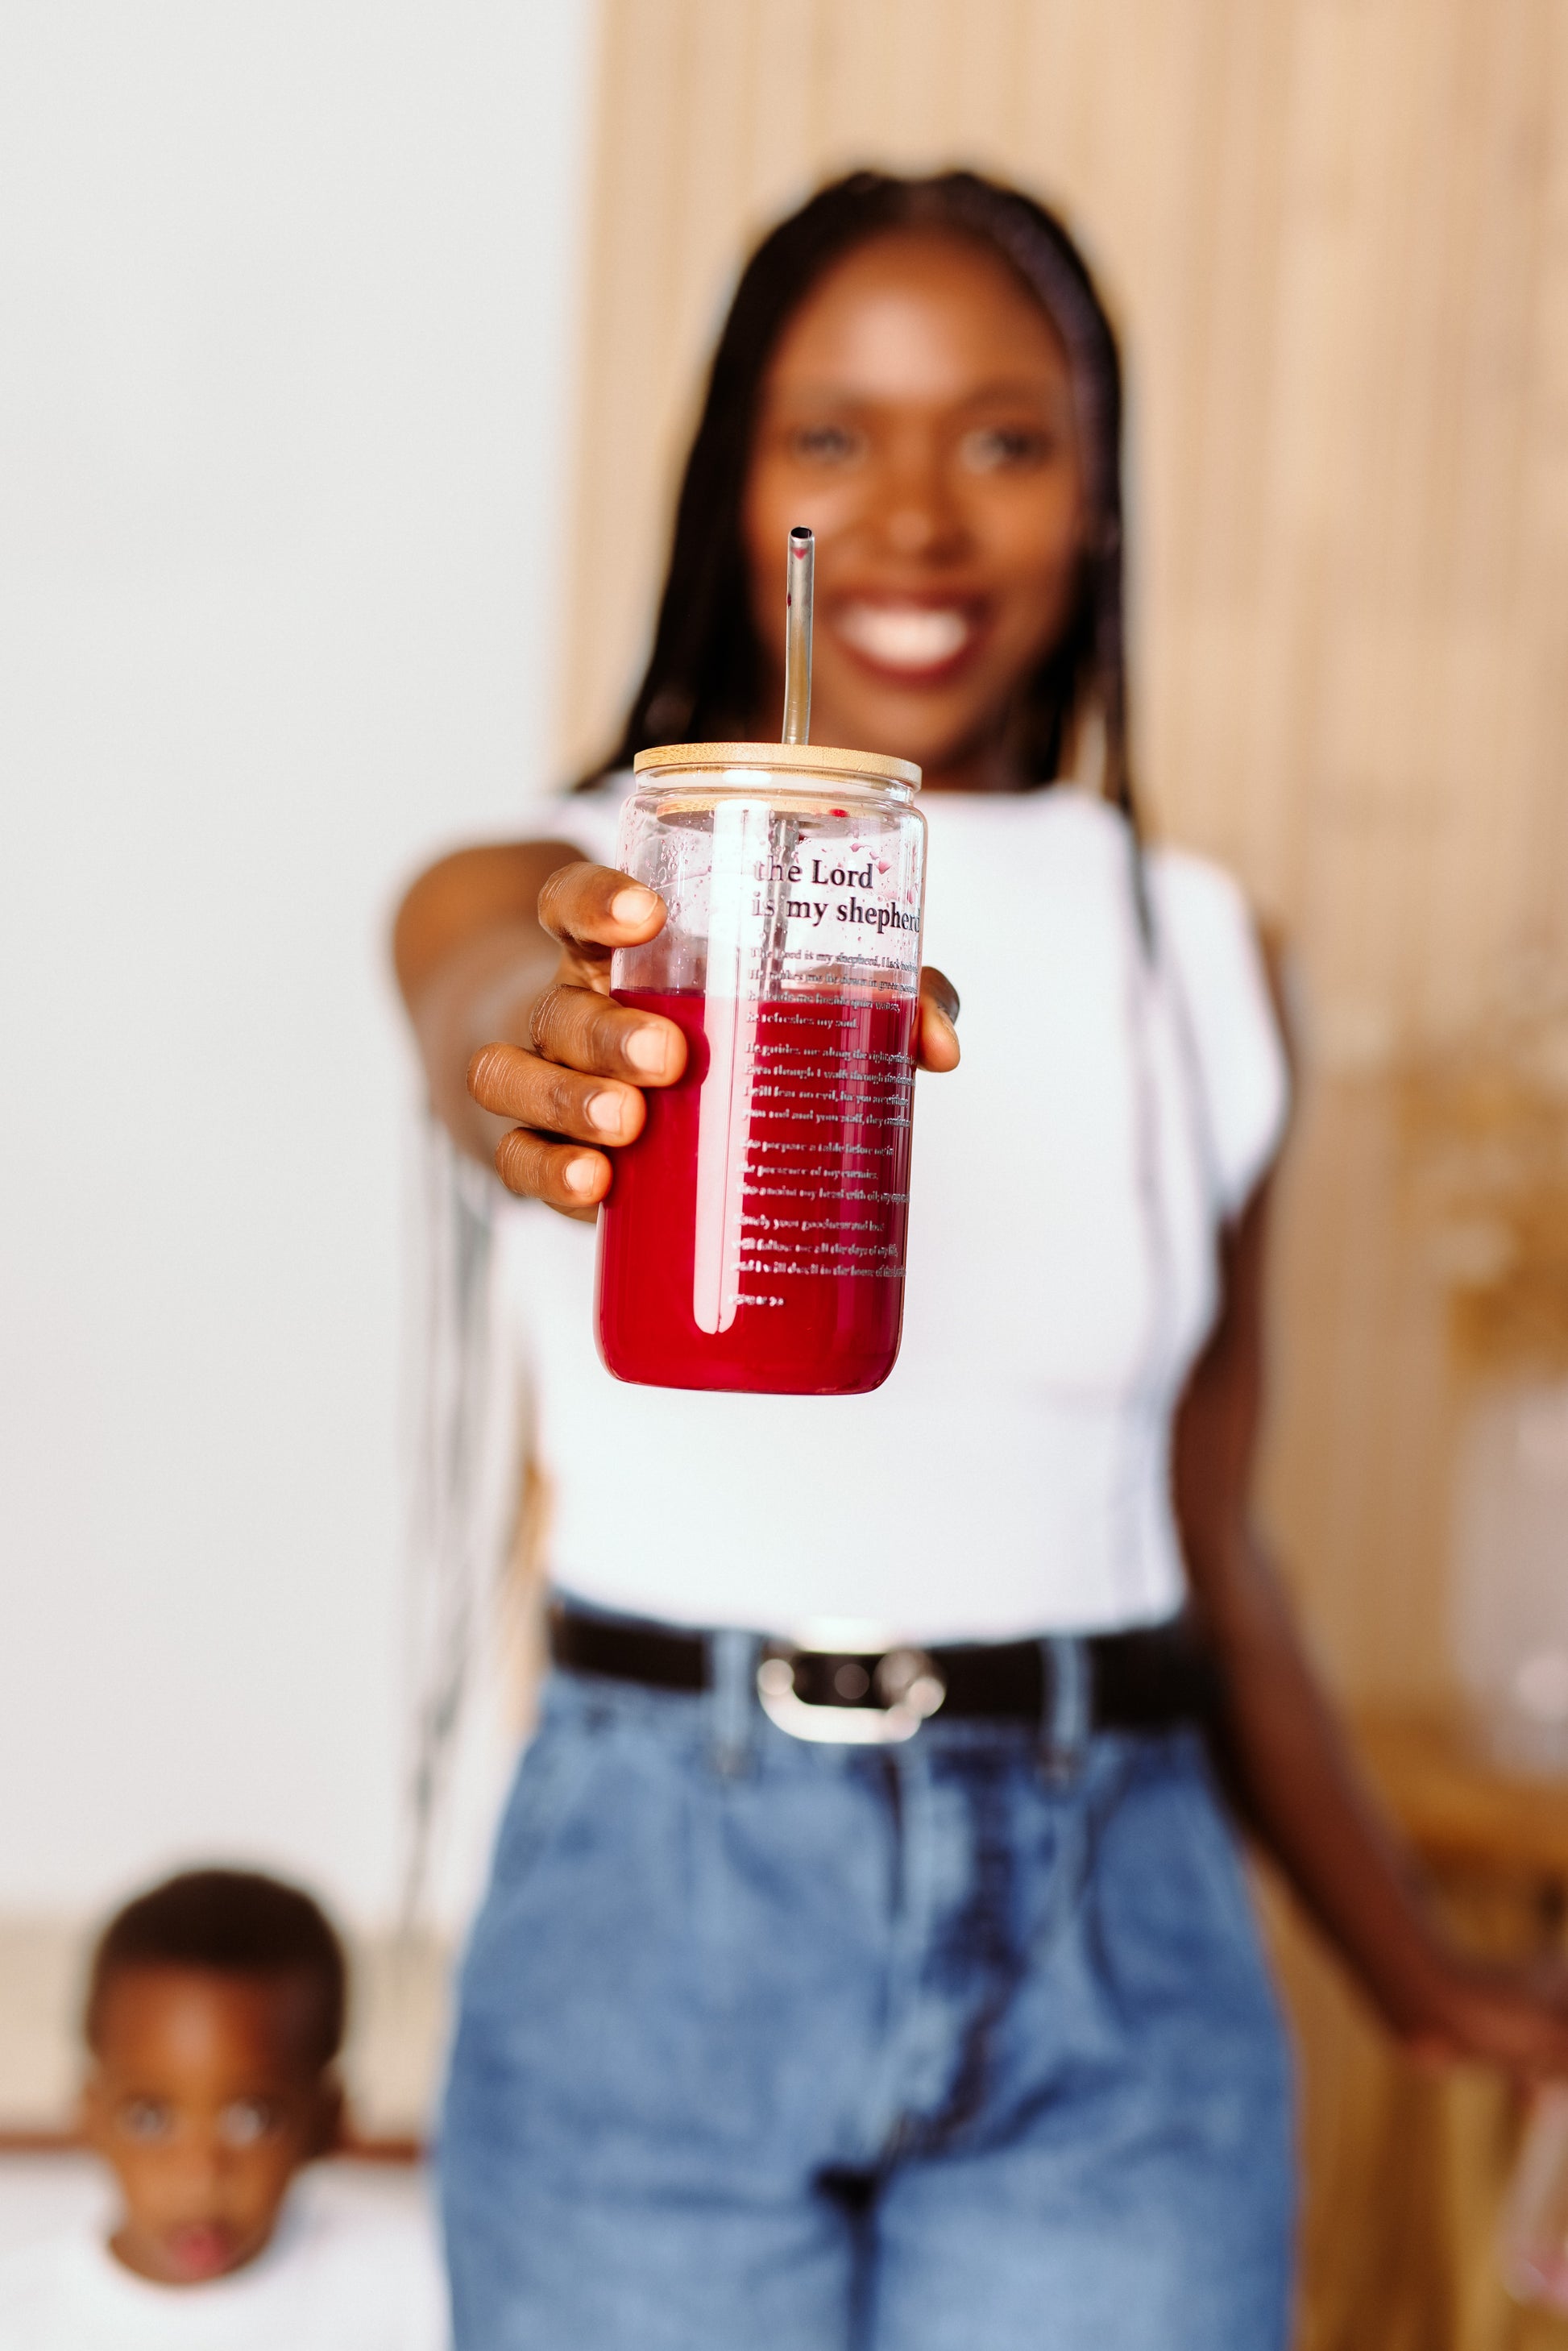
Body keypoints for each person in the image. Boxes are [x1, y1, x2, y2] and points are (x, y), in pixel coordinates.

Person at [395, 172, 1568, 2350]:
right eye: (834, 434)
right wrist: (549, 1057)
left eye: (1007, 439)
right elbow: (473, 993)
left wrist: (1430, 1981)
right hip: (659, 1888)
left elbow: (1214, 1544)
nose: (920, 515)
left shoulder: (1197, 948)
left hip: (1109, 1919)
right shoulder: (563, 873)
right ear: (731, 480)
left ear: (1103, 497)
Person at [0, 1868, 446, 2349]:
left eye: (254, 2119)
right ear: (90, 2113)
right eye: (149, 2118)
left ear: (328, 2122)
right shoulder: (20, 2320)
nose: (200, 2177)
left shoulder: (421, 2287)